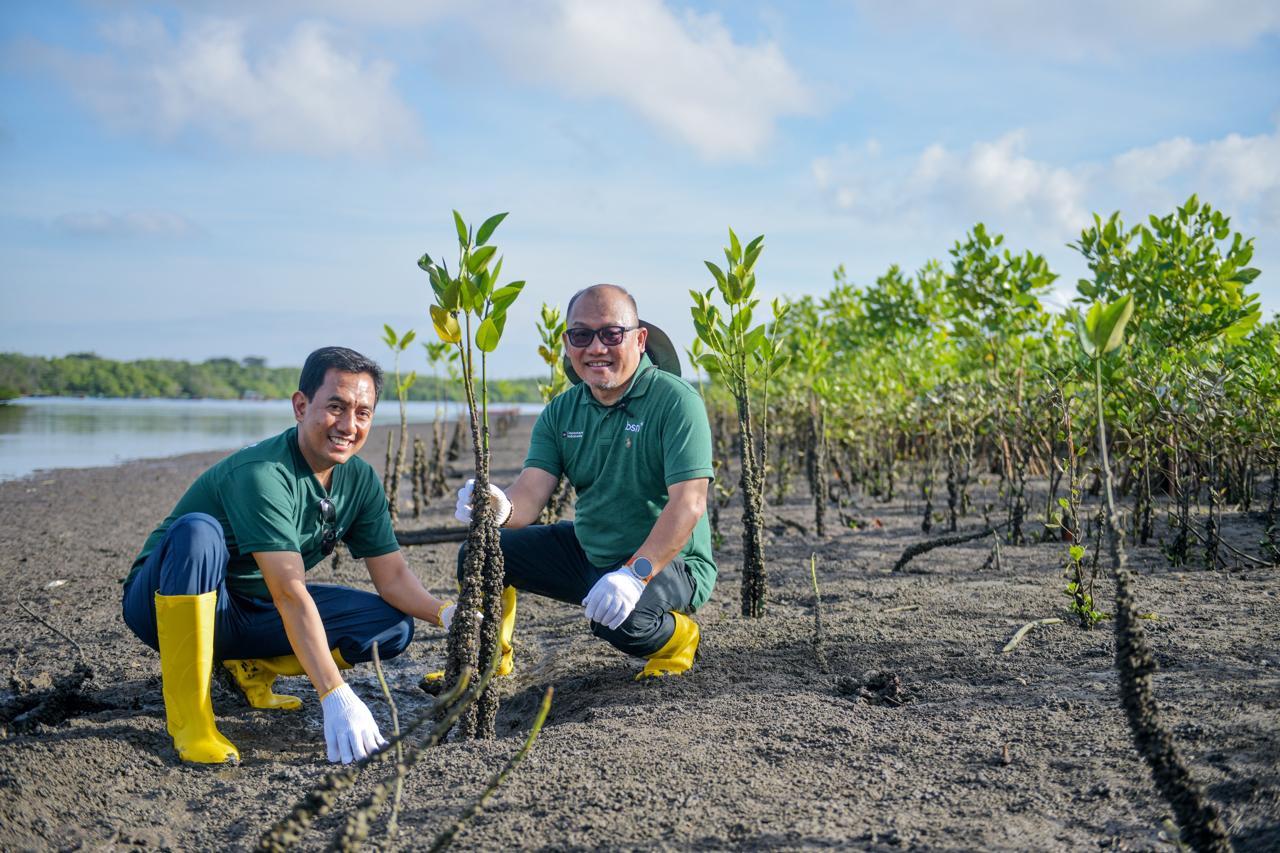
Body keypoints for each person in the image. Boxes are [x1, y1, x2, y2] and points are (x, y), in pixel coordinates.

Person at [122, 346, 455, 765]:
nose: (349, 425)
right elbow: (290, 593)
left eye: (363, 412)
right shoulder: (263, 473)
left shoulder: (360, 480)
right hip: (164, 602)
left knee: (389, 627)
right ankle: (192, 720)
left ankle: (251, 665)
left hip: (249, 610)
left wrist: (448, 614)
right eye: (335, 407)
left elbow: (392, 579)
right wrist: (334, 694)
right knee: (197, 532)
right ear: (301, 406)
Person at [454, 284, 715, 680]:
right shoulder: (561, 412)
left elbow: (689, 504)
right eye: (582, 335)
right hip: (592, 550)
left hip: (670, 561)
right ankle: (492, 659)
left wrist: (633, 575)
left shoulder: (677, 401)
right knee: (482, 553)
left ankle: (681, 639)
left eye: (612, 334)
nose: (596, 347)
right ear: (567, 343)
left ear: (640, 339)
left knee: (621, 623)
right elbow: (529, 495)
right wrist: (496, 506)